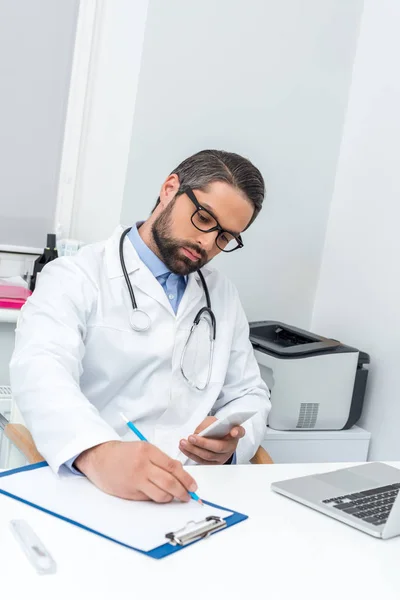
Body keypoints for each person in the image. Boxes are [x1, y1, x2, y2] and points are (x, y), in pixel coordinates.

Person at [10, 149, 271, 503]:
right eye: (204, 219)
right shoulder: (76, 276)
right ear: (169, 189)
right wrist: (96, 452)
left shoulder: (221, 295)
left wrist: (231, 444)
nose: (208, 243)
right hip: (95, 482)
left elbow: (251, 394)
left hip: (194, 489)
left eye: (225, 237)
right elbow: (40, 371)